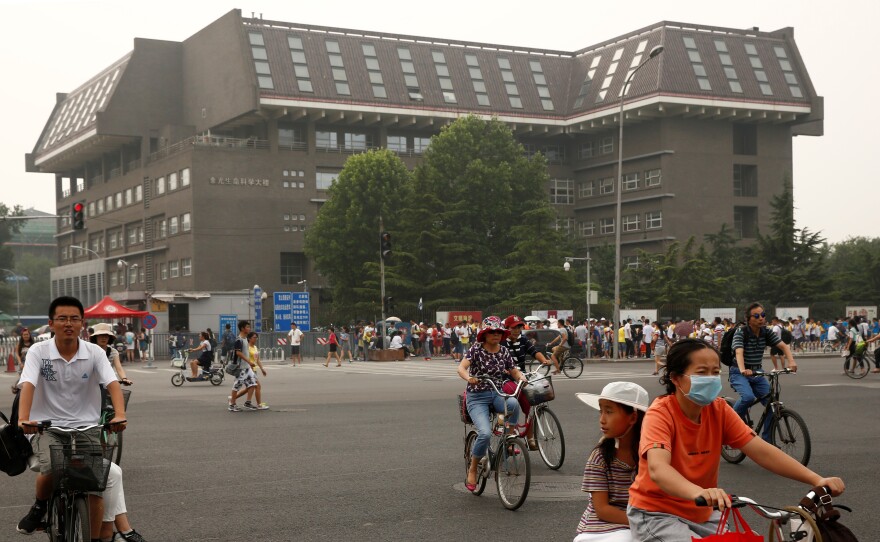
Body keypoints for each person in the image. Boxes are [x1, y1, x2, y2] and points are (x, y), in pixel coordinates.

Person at [626, 338, 845, 540]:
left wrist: (816, 479)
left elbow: (761, 451)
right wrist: (699, 492)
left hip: (702, 512)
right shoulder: (661, 413)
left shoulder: (719, 409)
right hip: (656, 514)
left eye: (715, 372)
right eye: (702, 372)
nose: (711, 379)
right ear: (675, 378)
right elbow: (657, 468)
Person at [15, 296, 128, 537]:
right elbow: (27, 385)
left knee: (94, 485)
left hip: (86, 427)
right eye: (62, 318)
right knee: (53, 467)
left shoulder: (95, 352)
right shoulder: (39, 351)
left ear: (82, 324)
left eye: (74, 318)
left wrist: (119, 414)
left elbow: (112, 383)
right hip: (46, 427)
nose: (69, 323)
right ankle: (40, 506)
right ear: (51, 323)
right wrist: (24, 419)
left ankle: (95, 537)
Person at [457, 316, 527, 492]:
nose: (496, 335)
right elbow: (461, 368)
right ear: (484, 334)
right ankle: (472, 469)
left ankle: (509, 440)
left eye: (498, 332)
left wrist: (521, 377)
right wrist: (469, 378)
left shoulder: (503, 351)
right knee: (485, 434)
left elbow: (513, 370)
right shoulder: (476, 349)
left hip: (496, 393)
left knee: (513, 403)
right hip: (477, 397)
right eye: (491, 332)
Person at [573, 382, 649, 542]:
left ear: (633, 417)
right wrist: (644, 523)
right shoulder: (599, 457)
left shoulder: (651, 454)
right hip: (600, 528)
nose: (602, 419)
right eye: (601, 412)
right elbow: (602, 510)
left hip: (640, 524)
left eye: (609, 412)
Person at [730, 302, 797, 440]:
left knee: (772, 405)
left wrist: (792, 362)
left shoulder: (766, 332)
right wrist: (743, 370)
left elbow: (784, 346)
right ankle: (730, 424)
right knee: (748, 397)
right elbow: (739, 352)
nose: (761, 318)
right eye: (756, 315)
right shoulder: (741, 332)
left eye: (763, 315)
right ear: (749, 319)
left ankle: (767, 440)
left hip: (757, 372)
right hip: (739, 372)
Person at [501, 314, 551, 450]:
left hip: (522, 378)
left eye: (519, 327)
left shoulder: (524, 340)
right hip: (506, 379)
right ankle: (510, 439)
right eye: (513, 328)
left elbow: (535, 352)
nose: (516, 330)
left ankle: (530, 438)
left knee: (530, 404)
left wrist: (544, 360)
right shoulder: (501, 342)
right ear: (506, 328)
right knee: (514, 403)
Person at [228, 320, 258, 412]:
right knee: (237, 385)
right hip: (240, 367)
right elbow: (238, 353)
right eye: (247, 327)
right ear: (242, 328)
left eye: (249, 327)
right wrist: (249, 362)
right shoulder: (239, 340)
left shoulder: (245, 339)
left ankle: (247, 402)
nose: (249, 328)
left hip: (247, 367)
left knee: (253, 383)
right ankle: (232, 404)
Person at [244, 331, 269, 410]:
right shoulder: (247, 347)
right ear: (249, 338)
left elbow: (257, 360)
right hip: (248, 370)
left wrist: (262, 369)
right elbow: (245, 359)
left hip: (254, 370)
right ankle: (259, 404)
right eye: (254, 337)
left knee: (248, 388)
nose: (256, 339)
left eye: (256, 337)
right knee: (258, 386)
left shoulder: (255, 347)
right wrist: (249, 366)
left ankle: (233, 399)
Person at [12, 327, 36, 393]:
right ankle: (20, 391)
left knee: (31, 379)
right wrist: (20, 363)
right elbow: (17, 354)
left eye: (27, 334)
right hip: (22, 365)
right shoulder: (19, 345)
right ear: (22, 336)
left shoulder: (33, 345)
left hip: (31, 365)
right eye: (24, 335)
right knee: (23, 379)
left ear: (29, 335)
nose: (26, 336)